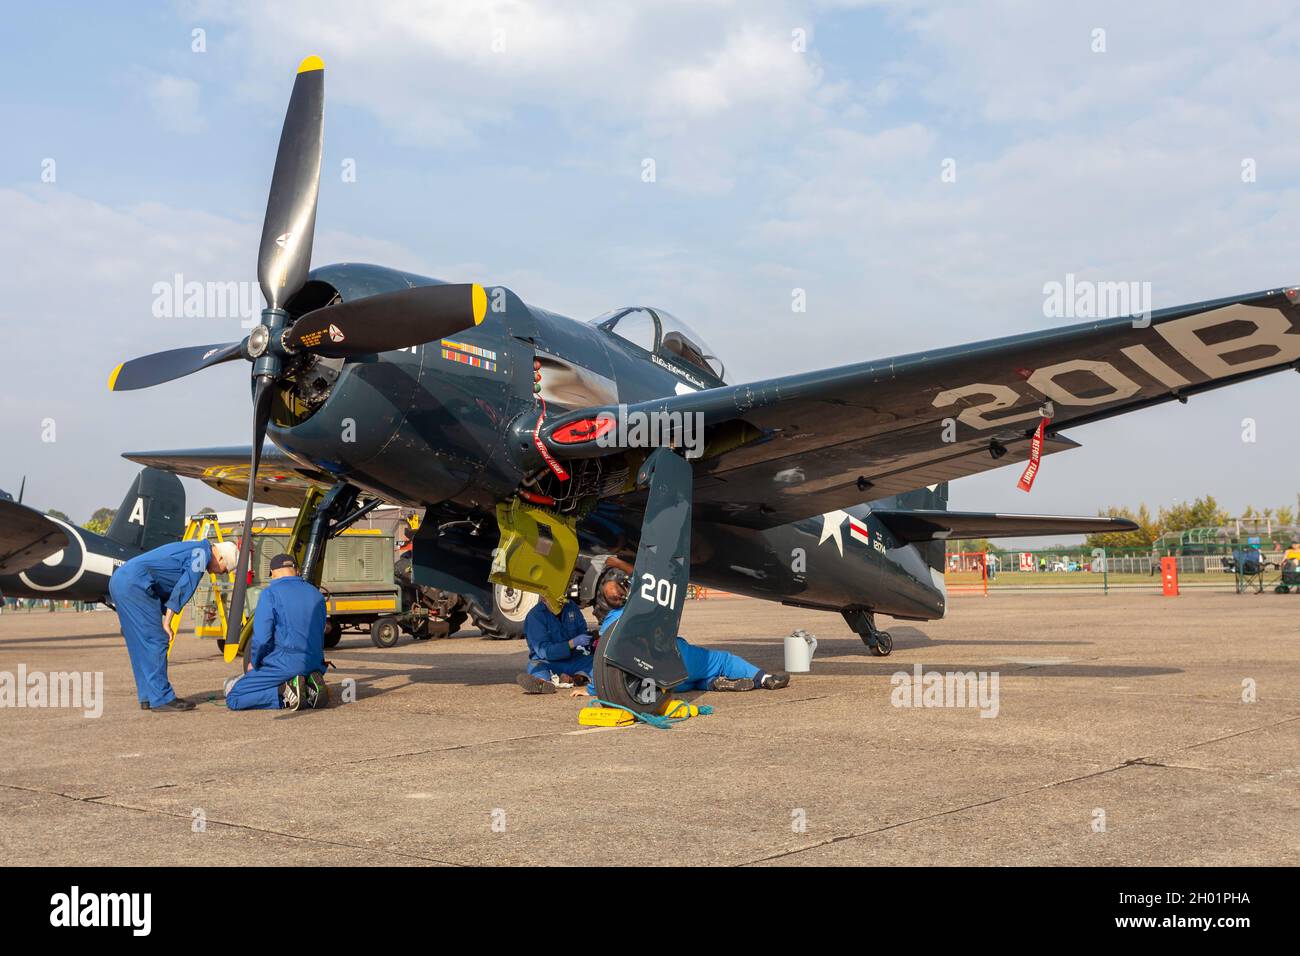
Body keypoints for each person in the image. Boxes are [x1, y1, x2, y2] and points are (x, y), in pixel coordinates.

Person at [588, 572, 790, 694]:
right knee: (722, 661)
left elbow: (601, 663)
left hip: (649, 679)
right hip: (674, 656)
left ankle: (709, 684)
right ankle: (764, 679)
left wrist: (589, 688)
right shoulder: (644, 604)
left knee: (676, 685)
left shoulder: (608, 626)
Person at [109, 537, 239, 712]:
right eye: (223, 571)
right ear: (221, 558)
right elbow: (185, 587)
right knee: (157, 640)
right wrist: (167, 622)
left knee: (139, 643)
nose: (218, 574)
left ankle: (147, 696)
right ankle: (161, 698)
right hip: (135, 584)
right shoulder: (202, 555)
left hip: (121, 580)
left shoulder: (193, 547)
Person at [226, 552, 329, 712]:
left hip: (286, 664)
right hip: (315, 662)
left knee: (234, 696)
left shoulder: (270, 593)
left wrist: (255, 662)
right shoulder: (316, 594)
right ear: (296, 570)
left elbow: (262, 638)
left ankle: (284, 693)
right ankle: (307, 686)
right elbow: (321, 629)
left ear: (273, 573)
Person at [515, 596, 595, 695]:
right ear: (544, 598)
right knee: (535, 666)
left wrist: (591, 639)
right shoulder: (535, 616)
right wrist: (571, 643)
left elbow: (582, 630)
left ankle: (575, 678)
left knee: (596, 662)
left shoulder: (571, 606)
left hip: (574, 658)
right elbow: (544, 651)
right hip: (548, 661)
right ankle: (542, 682)